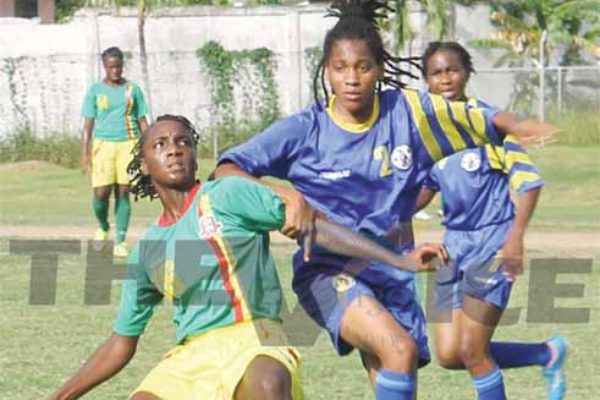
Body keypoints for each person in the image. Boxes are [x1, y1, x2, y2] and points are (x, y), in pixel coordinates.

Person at [213, 1, 557, 399]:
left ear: (378, 69)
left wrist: (520, 125)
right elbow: (226, 169)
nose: (351, 78)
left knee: (399, 364)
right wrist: (285, 194)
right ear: (326, 71)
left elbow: (476, 117)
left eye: (362, 67)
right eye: (340, 68)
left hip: (394, 272)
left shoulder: (407, 111)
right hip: (327, 272)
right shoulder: (305, 129)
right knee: (399, 348)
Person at [50, 114, 448, 400]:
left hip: (257, 339)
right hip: (192, 356)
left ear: (195, 154)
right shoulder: (148, 250)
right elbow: (121, 343)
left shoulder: (226, 196)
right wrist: (60, 396)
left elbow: (315, 226)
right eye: (161, 145)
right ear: (143, 164)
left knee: (267, 384)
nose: (174, 150)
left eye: (183, 142)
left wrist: (399, 260)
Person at [417, 40, 567, 400]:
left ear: (467, 73)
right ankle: (545, 354)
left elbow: (529, 183)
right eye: (436, 73)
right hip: (451, 249)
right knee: (449, 355)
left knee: (472, 349)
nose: (445, 78)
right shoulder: (431, 136)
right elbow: (420, 192)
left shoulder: (491, 126)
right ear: (426, 80)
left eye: (452, 69)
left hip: (491, 245)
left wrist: (515, 239)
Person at [81, 46, 149, 258]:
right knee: (101, 193)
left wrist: (147, 150)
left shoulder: (132, 89)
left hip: (129, 143)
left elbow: (142, 120)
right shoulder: (95, 90)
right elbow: (88, 124)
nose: (115, 70)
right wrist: (84, 153)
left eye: (118, 66)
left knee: (124, 191)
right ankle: (103, 226)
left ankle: (120, 241)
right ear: (104, 66)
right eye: (111, 67)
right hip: (103, 145)